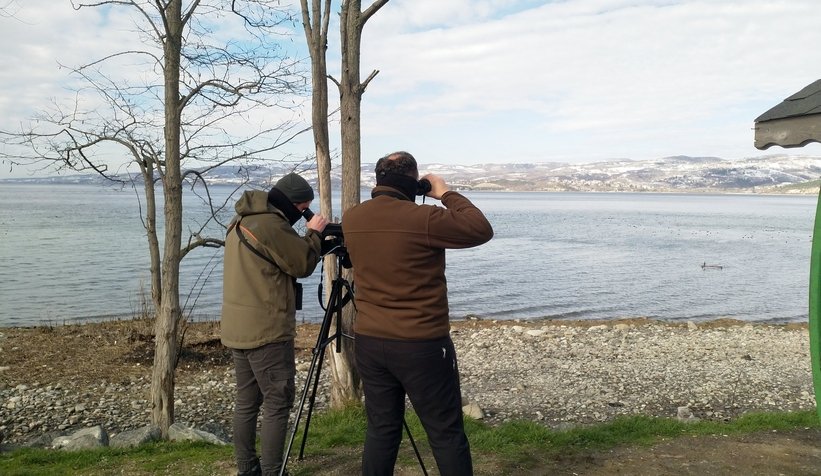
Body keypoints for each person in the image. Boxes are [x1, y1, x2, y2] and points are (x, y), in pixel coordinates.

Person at [342, 151, 494, 475]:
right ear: (414, 181)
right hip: (421, 344)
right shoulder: (422, 218)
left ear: (379, 180)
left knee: (381, 431)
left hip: (369, 341)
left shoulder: (353, 218)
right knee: (445, 432)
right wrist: (444, 192)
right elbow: (480, 228)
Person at [221, 172, 328, 476]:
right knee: (278, 402)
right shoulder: (270, 224)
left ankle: (247, 468)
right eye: (304, 208)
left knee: (247, 402)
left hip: (238, 327)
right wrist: (315, 233)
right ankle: (272, 471)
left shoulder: (242, 219)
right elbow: (302, 263)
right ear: (294, 203)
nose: (303, 214)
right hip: (266, 330)